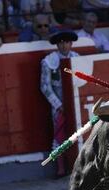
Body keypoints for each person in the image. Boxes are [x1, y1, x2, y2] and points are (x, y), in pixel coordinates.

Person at [40, 29, 79, 176]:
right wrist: (59, 105)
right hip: (59, 106)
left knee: (78, 133)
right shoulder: (48, 61)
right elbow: (45, 86)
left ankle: (78, 166)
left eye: (66, 43)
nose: (63, 46)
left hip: (75, 103)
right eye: (60, 43)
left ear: (71, 43)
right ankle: (61, 168)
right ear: (57, 45)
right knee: (59, 136)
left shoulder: (77, 58)